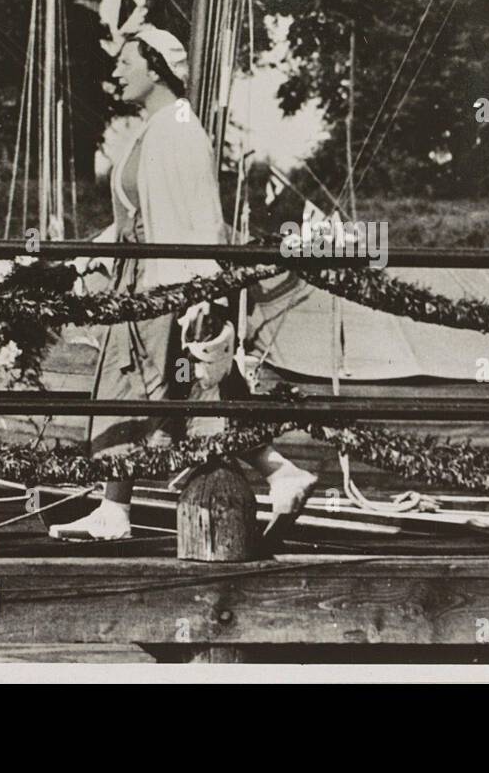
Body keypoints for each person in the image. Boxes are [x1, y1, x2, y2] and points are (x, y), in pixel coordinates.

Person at [49, 26, 317, 541]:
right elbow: (135, 215)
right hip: (140, 281)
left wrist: (203, 295)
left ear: (155, 69)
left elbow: (203, 222)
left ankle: (119, 509)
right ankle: (278, 474)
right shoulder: (154, 129)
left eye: (126, 63)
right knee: (163, 389)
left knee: (158, 389)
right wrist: (86, 258)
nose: (116, 72)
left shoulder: (181, 131)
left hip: (166, 284)